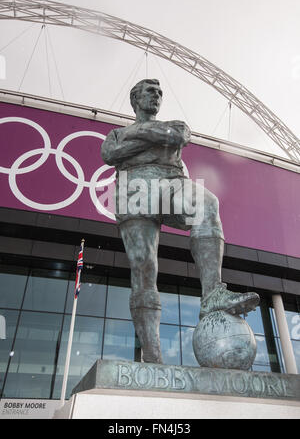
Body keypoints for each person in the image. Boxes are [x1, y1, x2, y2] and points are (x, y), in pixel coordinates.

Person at [101, 78, 259, 364]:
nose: (157, 96)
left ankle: (213, 293)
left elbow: (178, 137)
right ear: (135, 99)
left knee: (207, 203)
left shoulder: (170, 125)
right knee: (144, 267)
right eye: (150, 92)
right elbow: (110, 154)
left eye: (160, 92)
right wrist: (155, 135)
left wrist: (137, 137)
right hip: (132, 190)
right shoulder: (116, 133)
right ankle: (152, 353)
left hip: (170, 182)